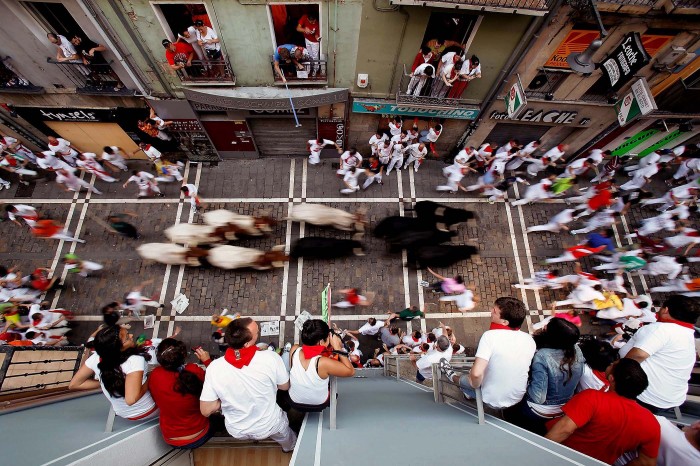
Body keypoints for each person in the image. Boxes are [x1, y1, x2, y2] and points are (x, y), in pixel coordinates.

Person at [200, 318, 296, 452]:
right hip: (270, 424)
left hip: (238, 430)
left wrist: (229, 399)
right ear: (246, 344)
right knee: (285, 437)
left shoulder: (214, 367)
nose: (258, 332)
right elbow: (284, 386)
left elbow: (206, 410)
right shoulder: (270, 358)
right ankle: (289, 448)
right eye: (257, 332)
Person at [545, 359, 660, 466]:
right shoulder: (651, 422)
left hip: (559, 458)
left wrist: (538, 453)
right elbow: (647, 462)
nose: (609, 364)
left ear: (611, 378)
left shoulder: (592, 398)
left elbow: (564, 430)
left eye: (612, 365)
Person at [439, 297, 536, 409]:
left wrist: (474, 385)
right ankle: (468, 393)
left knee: (466, 380)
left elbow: (475, 374)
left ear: (505, 322)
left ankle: (452, 375)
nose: (490, 311)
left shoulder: (490, 336)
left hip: (490, 397)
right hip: (516, 398)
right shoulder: (529, 340)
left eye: (494, 311)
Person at [619, 295, 699, 413]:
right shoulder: (687, 334)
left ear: (665, 310)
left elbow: (638, 355)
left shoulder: (662, 328)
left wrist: (616, 369)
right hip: (669, 400)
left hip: (642, 396)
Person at [511, 318, 584, 435]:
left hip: (539, 409)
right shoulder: (577, 350)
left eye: (547, 326)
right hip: (565, 408)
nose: (544, 327)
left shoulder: (543, 355)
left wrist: (525, 386)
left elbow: (538, 396)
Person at [69, 325, 159, 421]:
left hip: (122, 412)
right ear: (118, 348)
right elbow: (131, 399)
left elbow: (74, 384)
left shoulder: (96, 357)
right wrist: (149, 378)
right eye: (128, 338)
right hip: (147, 410)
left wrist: (107, 382)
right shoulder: (135, 360)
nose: (132, 335)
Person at [148, 338, 215, 448]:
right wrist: (207, 361)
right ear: (183, 356)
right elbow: (216, 380)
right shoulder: (193, 370)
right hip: (199, 433)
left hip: (171, 439)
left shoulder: (155, 375)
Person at [288, 319, 354, 411]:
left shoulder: (294, 349)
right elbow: (350, 371)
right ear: (321, 342)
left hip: (294, 401)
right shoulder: (323, 362)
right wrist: (338, 348)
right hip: (318, 404)